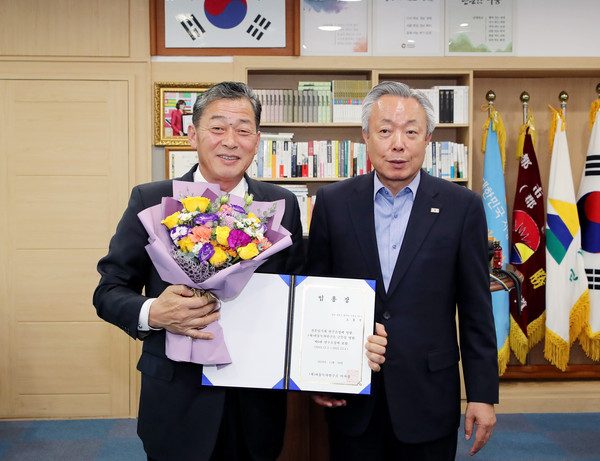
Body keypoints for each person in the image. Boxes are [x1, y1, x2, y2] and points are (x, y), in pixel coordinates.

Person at [93, 82, 306, 460]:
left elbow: (297, 292)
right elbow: (109, 291)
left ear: (256, 141)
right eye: (218, 128)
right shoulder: (151, 199)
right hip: (179, 397)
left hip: (255, 399)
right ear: (193, 135)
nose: (231, 141)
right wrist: (152, 313)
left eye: (243, 130)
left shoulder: (282, 204)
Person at [306, 81, 498, 460]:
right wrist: (317, 374)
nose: (398, 144)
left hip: (429, 395)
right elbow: (315, 296)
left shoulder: (463, 207)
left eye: (411, 131)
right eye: (385, 131)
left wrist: (481, 395)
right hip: (352, 392)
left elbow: (476, 310)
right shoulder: (332, 202)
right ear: (365, 137)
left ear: (428, 138)